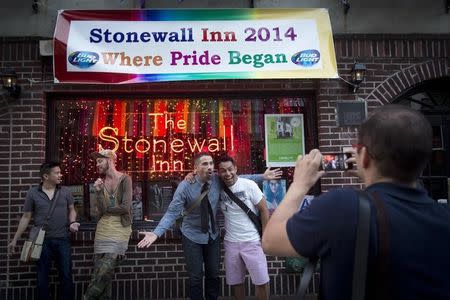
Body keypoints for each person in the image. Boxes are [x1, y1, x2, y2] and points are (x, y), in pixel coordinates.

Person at [262, 104, 450, 299]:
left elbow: (270, 241)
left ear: (366, 157)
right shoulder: (444, 217)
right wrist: (369, 174)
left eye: (358, 149)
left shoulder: (342, 206)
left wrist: (300, 184)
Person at [138, 152, 281, 300]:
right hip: (192, 236)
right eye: (205, 164)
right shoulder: (185, 186)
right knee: (195, 277)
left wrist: (262, 176)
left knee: (213, 274)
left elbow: (240, 178)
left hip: (213, 235)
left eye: (211, 163)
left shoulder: (217, 180)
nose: (209, 167)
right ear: (195, 168)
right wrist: (156, 233)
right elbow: (171, 212)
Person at [8, 161, 79, 300]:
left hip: (63, 239)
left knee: (66, 274)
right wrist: (15, 239)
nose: (60, 175)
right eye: (57, 173)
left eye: (60, 172)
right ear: (46, 176)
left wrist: (73, 222)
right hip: (42, 241)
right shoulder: (33, 193)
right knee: (42, 276)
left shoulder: (65, 191)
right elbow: (26, 217)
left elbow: (72, 209)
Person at [217, 155, 270, 300]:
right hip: (231, 243)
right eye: (223, 171)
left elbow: (264, 209)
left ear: (235, 168)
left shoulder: (248, 185)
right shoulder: (217, 188)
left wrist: (264, 237)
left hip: (252, 241)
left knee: (261, 281)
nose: (227, 174)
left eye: (230, 169)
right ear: (218, 173)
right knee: (236, 282)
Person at [84, 149, 132, 300]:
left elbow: (125, 207)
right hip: (103, 229)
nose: (97, 164)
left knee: (105, 270)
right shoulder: (101, 183)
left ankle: (87, 297)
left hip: (120, 230)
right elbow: (99, 211)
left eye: (100, 161)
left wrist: (107, 209)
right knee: (101, 273)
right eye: (96, 161)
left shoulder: (125, 179)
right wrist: (98, 192)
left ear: (109, 160)